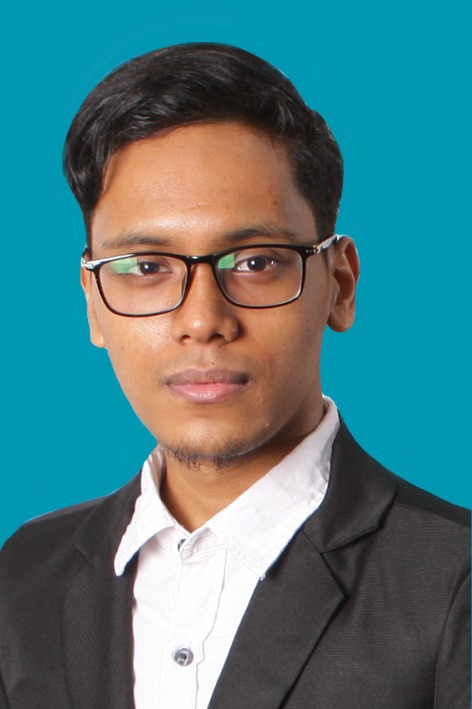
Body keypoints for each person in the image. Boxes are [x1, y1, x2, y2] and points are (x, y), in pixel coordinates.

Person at [0, 42, 469, 709]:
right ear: (94, 304)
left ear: (339, 285)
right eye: (146, 267)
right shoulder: (24, 574)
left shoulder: (453, 582)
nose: (202, 320)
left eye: (255, 262)